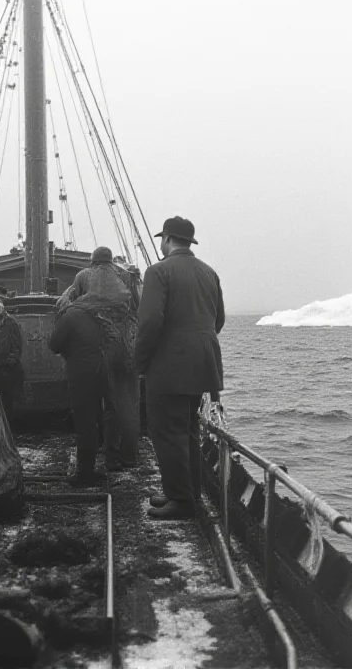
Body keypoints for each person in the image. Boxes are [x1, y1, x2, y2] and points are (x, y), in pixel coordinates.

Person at [135, 216, 225, 520]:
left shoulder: (158, 271)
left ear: (167, 240)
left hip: (169, 366)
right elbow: (219, 320)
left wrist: (141, 362)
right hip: (203, 364)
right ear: (190, 242)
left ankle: (181, 501)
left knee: (167, 433)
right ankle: (188, 493)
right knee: (187, 431)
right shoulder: (209, 272)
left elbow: (148, 323)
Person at [48, 290, 137, 485]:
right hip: (102, 373)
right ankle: (97, 465)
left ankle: (84, 474)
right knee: (96, 421)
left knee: (84, 424)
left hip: (80, 374)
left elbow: (53, 345)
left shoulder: (70, 316)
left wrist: (69, 349)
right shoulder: (95, 315)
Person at [56, 246, 132, 313]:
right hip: (121, 315)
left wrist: (65, 296)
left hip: (94, 314)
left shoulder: (84, 274)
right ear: (111, 261)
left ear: (92, 262)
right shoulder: (124, 275)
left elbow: (68, 296)